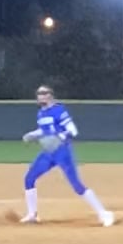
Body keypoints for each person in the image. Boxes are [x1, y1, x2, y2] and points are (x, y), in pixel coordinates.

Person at [20, 85, 115, 226]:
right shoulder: (41, 113)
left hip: (62, 150)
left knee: (76, 185)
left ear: (50, 95)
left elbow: (73, 130)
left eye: (43, 93)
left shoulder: (59, 110)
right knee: (29, 178)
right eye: (38, 93)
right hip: (48, 152)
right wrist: (32, 134)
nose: (40, 96)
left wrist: (59, 137)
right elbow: (44, 131)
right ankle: (32, 214)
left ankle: (104, 213)